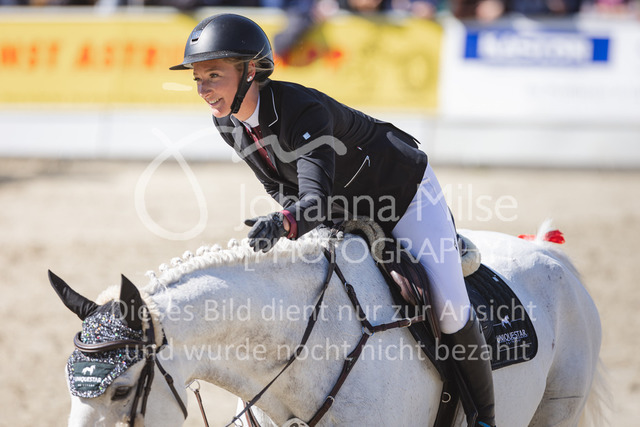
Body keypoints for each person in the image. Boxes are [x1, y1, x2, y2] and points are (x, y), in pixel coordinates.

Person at [170, 14, 495, 427]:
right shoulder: (226, 121)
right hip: (341, 207)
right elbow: (276, 183)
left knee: (449, 308)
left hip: (402, 194)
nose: (204, 90)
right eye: (198, 79)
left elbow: (313, 199)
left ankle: (485, 418)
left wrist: (286, 223)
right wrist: (288, 218)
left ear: (250, 70)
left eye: (214, 75)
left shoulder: (302, 111)